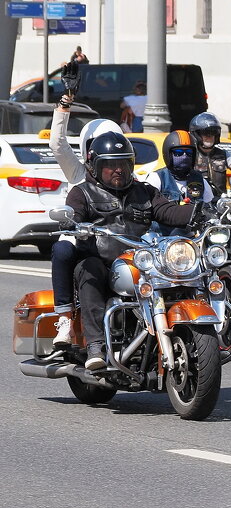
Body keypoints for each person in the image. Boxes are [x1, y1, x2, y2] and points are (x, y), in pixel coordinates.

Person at [65, 132, 203, 370]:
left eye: (123, 164)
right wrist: (71, 221)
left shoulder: (145, 191)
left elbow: (168, 211)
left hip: (139, 259)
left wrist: (198, 213)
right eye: (110, 165)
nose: (118, 170)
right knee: (89, 269)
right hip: (101, 260)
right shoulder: (82, 193)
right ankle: (96, 346)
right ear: (95, 167)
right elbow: (73, 214)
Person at [48, 95, 124, 348]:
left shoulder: (123, 171)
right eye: (95, 145)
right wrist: (64, 105)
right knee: (62, 249)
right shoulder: (78, 172)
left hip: (120, 235)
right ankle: (65, 318)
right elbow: (57, 144)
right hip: (83, 233)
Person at [145, 130, 214, 229]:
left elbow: (210, 208)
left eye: (189, 153)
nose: (184, 156)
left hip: (194, 237)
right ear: (168, 154)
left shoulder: (199, 180)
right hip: (163, 238)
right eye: (178, 153)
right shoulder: (157, 178)